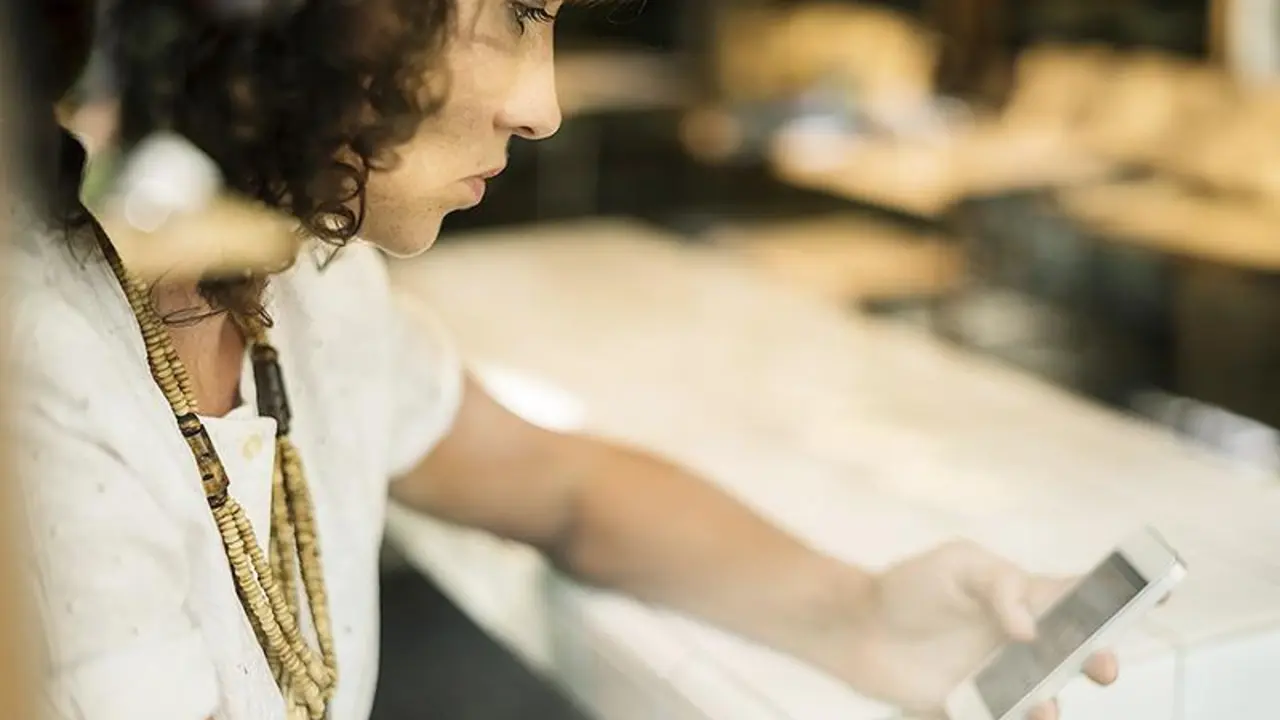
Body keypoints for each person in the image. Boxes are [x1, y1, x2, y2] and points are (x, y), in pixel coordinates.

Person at [10, 1, 1117, 719]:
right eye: (508, 18)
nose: (541, 105)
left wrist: (866, 619)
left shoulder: (312, 286)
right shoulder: (44, 388)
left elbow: (559, 486)